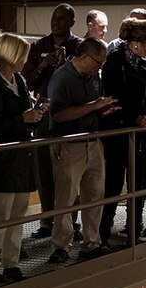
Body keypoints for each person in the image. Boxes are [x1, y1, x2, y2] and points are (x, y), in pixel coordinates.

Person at [0, 33, 44, 281]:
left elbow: (21, 114)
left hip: (21, 156)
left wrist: (35, 115)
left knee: (18, 212)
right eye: (23, 56)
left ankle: (11, 261)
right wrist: (23, 119)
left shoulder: (20, 80)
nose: (26, 61)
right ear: (11, 55)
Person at [46, 38, 119, 264]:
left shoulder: (93, 77)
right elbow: (57, 114)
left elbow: (92, 108)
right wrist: (93, 106)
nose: (101, 67)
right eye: (99, 62)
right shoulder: (61, 77)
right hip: (69, 145)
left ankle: (91, 243)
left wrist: (101, 111)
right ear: (85, 57)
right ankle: (61, 245)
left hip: (93, 142)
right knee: (66, 198)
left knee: (94, 196)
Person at [99, 19, 146, 243]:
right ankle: (103, 231)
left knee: (138, 181)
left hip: (140, 131)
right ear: (137, 43)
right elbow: (113, 96)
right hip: (117, 130)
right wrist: (134, 116)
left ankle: (134, 226)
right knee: (112, 181)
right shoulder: (114, 62)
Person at [26, 4, 80, 242]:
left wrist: (64, 64)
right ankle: (47, 220)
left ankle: (70, 220)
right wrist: (44, 65)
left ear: (71, 22)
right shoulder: (39, 47)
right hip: (43, 112)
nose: (55, 22)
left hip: (69, 113)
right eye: (53, 18)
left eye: (61, 19)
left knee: (69, 170)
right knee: (43, 168)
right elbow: (27, 80)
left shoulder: (79, 46)